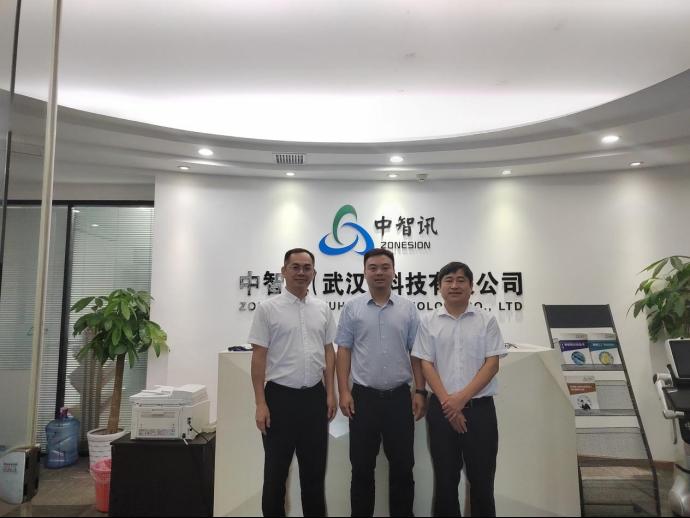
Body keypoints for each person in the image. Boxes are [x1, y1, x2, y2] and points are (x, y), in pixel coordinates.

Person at [335, 248, 426, 517]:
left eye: (385, 267)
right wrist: (344, 391)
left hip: (399, 399)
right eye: (373, 267)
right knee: (362, 468)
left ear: (394, 271)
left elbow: (416, 353)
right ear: (364, 272)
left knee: (403, 468)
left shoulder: (408, 308)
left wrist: (420, 390)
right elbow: (344, 350)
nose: (379, 272)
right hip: (363, 399)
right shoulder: (352, 308)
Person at [412, 261, 508, 517]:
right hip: (441, 411)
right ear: (440, 287)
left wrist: (460, 400)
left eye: (461, 280)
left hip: (480, 411)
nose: (454, 285)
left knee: (482, 482)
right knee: (445, 481)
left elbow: (492, 364)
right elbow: (426, 364)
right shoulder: (428, 321)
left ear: (471, 286)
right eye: (449, 280)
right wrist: (449, 404)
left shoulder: (486, 320)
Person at [249, 248, 337, 517]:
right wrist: (260, 403)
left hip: (314, 398)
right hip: (279, 400)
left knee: (314, 475)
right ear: (284, 271)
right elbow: (258, 357)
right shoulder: (267, 309)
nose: (301, 272)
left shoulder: (322, 309)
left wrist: (330, 393)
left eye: (307, 268)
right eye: (295, 267)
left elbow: (329, 351)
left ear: (314, 272)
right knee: (275, 475)